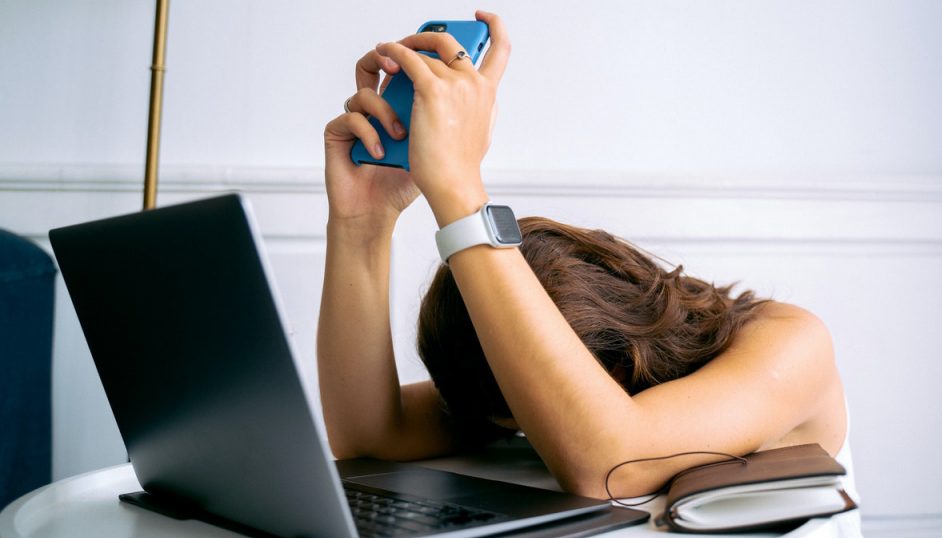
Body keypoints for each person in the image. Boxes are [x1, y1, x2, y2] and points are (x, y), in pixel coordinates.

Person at [317, 11, 850, 502]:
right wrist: (361, 224)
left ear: (624, 351)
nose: (520, 420)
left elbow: (611, 466)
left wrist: (458, 187)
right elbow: (372, 435)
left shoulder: (791, 343)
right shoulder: (508, 384)